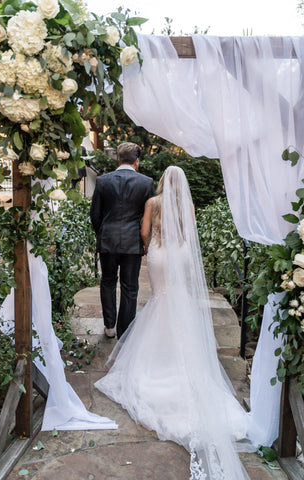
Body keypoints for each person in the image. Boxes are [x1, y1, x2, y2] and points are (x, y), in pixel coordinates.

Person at [95, 166, 254, 480]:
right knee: (176, 299)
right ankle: (182, 360)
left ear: (164, 181)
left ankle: (158, 362)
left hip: (159, 252)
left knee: (160, 298)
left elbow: (143, 233)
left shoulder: (153, 203)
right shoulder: (188, 206)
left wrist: (153, 242)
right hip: (180, 253)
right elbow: (191, 236)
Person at [90, 142, 154, 339]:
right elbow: (147, 217)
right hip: (132, 243)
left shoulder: (102, 181)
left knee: (108, 282)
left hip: (108, 240)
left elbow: (95, 214)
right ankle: (124, 331)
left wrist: (102, 233)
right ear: (136, 161)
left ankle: (109, 326)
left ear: (118, 159)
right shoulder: (146, 182)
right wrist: (145, 241)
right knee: (130, 287)